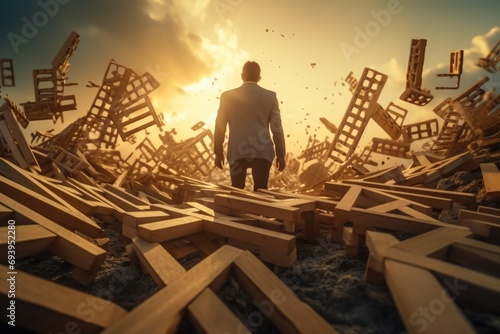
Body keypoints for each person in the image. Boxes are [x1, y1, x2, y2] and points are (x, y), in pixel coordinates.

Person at [214, 61, 286, 191]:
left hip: (237, 151)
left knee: (237, 191)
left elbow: (220, 126)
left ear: (242, 76)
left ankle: (238, 211)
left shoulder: (227, 96)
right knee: (261, 191)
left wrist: (218, 152)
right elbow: (277, 128)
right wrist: (280, 154)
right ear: (259, 78)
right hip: (262, 150)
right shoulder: (271, 97)